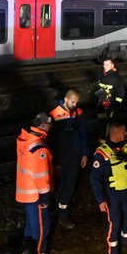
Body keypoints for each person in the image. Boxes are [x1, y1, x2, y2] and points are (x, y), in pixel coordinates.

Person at [90, 121, 127, 254]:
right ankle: (114, 252)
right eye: (123, 131)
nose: (126, 134)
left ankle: (126, 239)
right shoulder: (102, 153)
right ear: (115, 134)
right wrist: (101, 200)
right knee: (114, 223)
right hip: (112, 193)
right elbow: (95, 179)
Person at [15, 112, 57, 254]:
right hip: (37, 195)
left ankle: (25, 253)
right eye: (50, 124)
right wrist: (45, 197)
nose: (52, 127)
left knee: (30, 227)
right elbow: (41, 176)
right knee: (41, 228)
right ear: (44, 125)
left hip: (26, 193)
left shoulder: (25, 139)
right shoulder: (39, 147)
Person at [48, 88, 89, 230]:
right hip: (61, 157)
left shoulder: (78, 113)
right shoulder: (54, 115)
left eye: (76, 102)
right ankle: (52, 215)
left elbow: (84, 134)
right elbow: (50, 139)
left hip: (74, 155)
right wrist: (53, 160)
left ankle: (63, 215)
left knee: (69, 186)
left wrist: (84, 153)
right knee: (58, 187)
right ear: (65, 99)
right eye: (72, 102)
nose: (75, 105)